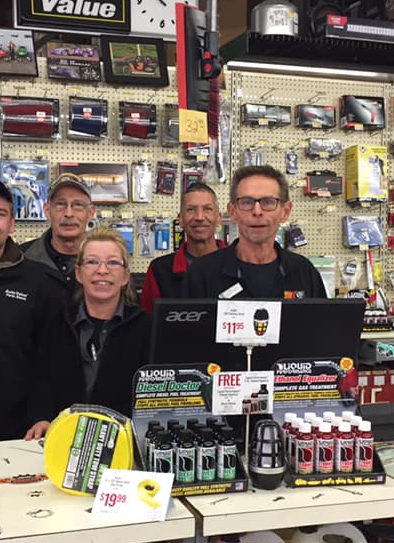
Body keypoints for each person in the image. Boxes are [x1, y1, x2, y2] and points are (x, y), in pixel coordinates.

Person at [0, 178, 65, 441]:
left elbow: (52, 361)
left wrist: (44, 414)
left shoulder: (43, 283)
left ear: (12, 223)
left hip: (22, 435)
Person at [42, 228, 151, 417]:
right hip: (62, 429)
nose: (102, 270)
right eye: (92, 262)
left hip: (122, 432)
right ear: (79, 273)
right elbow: (40, 379)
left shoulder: (146, 327)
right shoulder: (57, 322)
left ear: (125, 276)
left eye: (113, 262)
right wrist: (41, 418)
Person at [183, 165, 328, 299]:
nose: (257, 211)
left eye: (268, 202)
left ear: (285, 212)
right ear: (232, 212)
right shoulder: (201, 273)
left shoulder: (304, 272)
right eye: (247, 202)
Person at [140, 182, 224, 313]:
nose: (199, 217)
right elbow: (147, 320)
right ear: (180, 220)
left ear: (218, 218)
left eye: (207, 209)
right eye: (191, 210)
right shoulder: (159, 270)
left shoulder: (238, 265)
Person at [19, 173, 95, 295]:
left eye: (78, 205)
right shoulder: (20, 258)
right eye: (60, 204)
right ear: (47, 211)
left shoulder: (108, 260)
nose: (69, 214)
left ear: (90, 213)